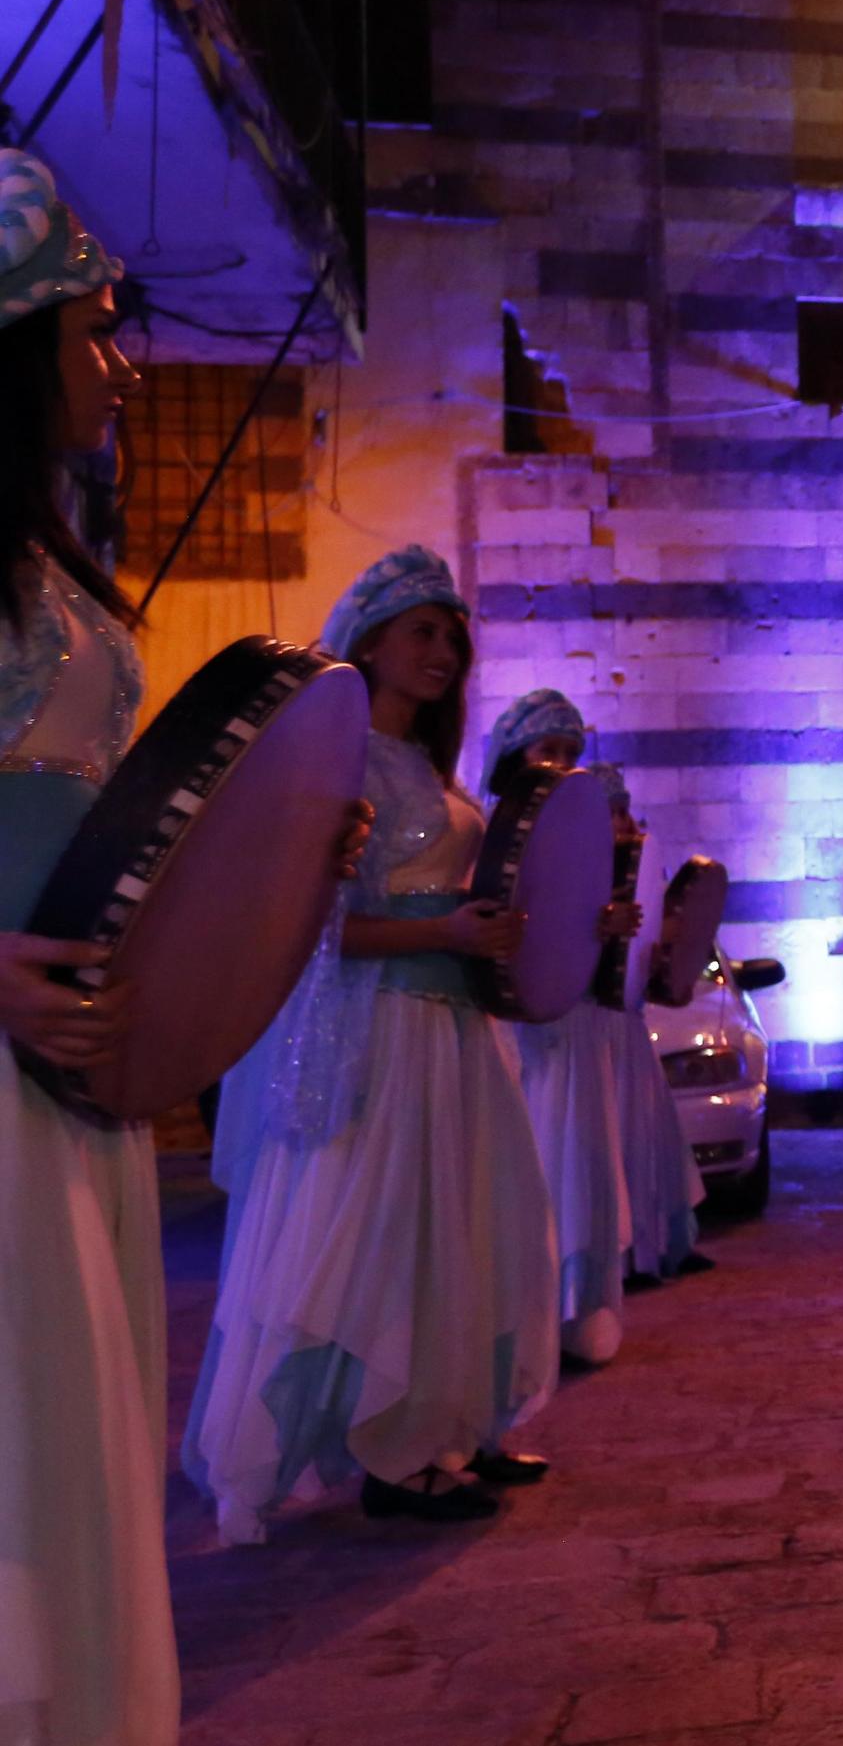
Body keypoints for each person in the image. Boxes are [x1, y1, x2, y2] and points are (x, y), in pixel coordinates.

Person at [186, 546, 561, 1536]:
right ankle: (389, 1451)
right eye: (423, 631)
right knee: (379, 1244)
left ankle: (444, 1429)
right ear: (371, 641)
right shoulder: (331, 764)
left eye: (453, 636)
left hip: (453, 1034)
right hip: (380, 1036)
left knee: (461, 1236)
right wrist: (441, 932)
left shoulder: (427, 769)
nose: (444, 651)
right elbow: (305, 923)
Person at [0, 147, 181, 1746]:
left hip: (65, 1073)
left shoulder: (46, 561)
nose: (117, 365)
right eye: (89, 329)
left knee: (66, 1439)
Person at [484, 689, 642, 1359]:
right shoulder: (488, 832)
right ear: (515, 756)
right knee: (534, 1166)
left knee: (583, 1160)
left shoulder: (583, 844)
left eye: (571, 754)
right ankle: (532, 1313)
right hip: (516, 1031)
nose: (560, 764)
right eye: (548, 750)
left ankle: (584, 1302)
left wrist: (606, 927)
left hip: (574, 1025)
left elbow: (569, 926)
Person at [602, 764, 710, 1286]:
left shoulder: (639, 872)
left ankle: (661, 1243)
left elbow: (653, 966)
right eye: (611, 811)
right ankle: (622, 1256)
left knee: (648, 1141)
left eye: (624, 810)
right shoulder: (570, 873)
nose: (622, 822)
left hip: (627, 1027)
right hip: (587, 1029)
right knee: (607, 1144)